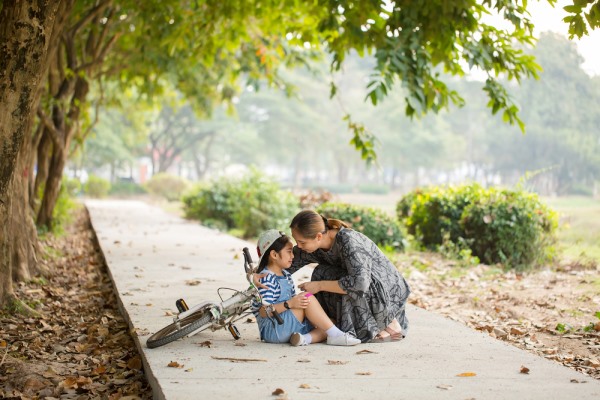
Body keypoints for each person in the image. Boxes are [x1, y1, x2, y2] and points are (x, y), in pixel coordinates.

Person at [287, 210, 411, 343]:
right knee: (321, 272)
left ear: (318, 236)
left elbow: (360, 283)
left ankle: (386, 321)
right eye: (296, 241)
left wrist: (319, 285)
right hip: (356, 281)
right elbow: (284, 263)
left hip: (383, 289)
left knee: (342, 279)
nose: (298, 246)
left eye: (302, 242)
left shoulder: (347, 240)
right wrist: (262, 276)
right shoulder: (311, 247)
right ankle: (341, 325)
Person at [251, 229, 361, 346]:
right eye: (289, 252)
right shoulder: (266, 278)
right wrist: (289, 304)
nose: (293, 256)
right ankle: (337, 336)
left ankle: (304, 339)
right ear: (274, 255)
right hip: (273, 328)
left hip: (286, 324)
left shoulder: (286, 275)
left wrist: (296, 304)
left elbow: (293, 302)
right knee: (307, 297)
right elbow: (263, 312)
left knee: (330, 323)